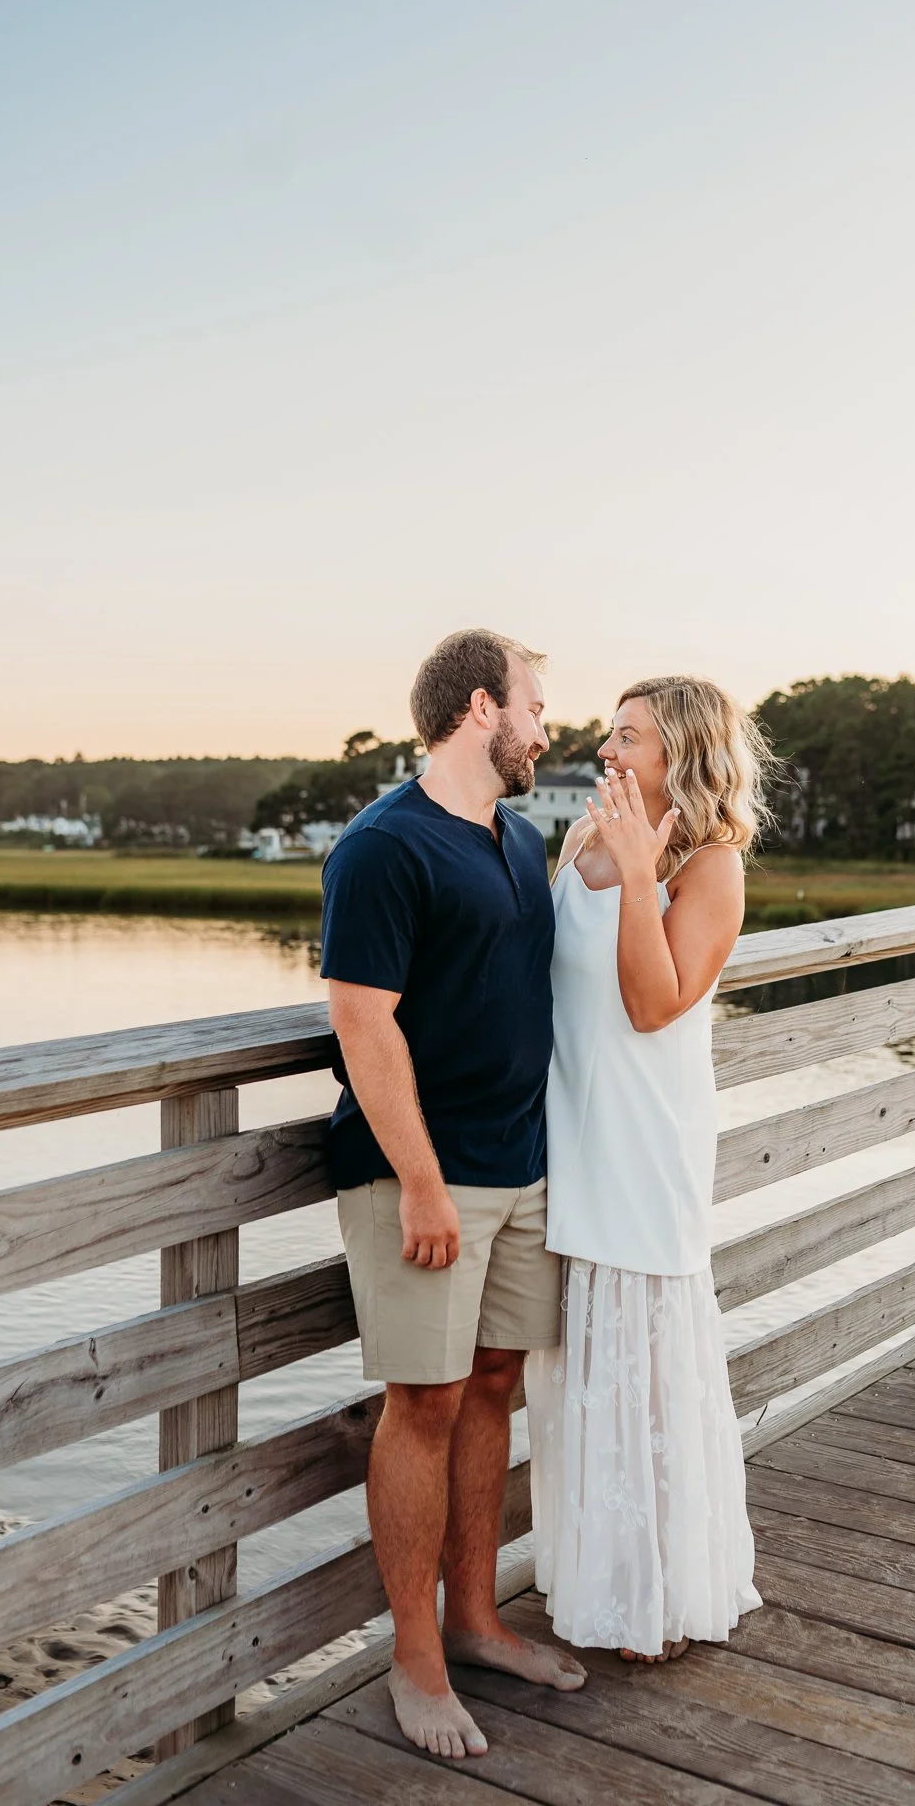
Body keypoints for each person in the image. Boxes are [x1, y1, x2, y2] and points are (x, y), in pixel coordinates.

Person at [321, 629, 587, 1762]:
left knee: (491, 1385)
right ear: (482, 706)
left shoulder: (518, 839)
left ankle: (476, 1620)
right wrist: (421, 1182)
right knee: (422, 1402)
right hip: (421, 1178)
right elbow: (362, 1020)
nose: (545, 724)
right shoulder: (384, 845)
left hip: (522, 1168)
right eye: (534, 703)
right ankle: (414, 1658)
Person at [526, 675, 767, 1662]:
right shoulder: (579, 840)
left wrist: (638, 871)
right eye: (609, 734)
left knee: (648, 1368)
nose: (608, 751)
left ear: (683, 752)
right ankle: (599, 1577)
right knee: (580, 1363)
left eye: (630, 737)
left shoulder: (710, 864)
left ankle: (660, 1589)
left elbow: (652, 1003)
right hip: (567, 1134)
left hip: (646, 1141)